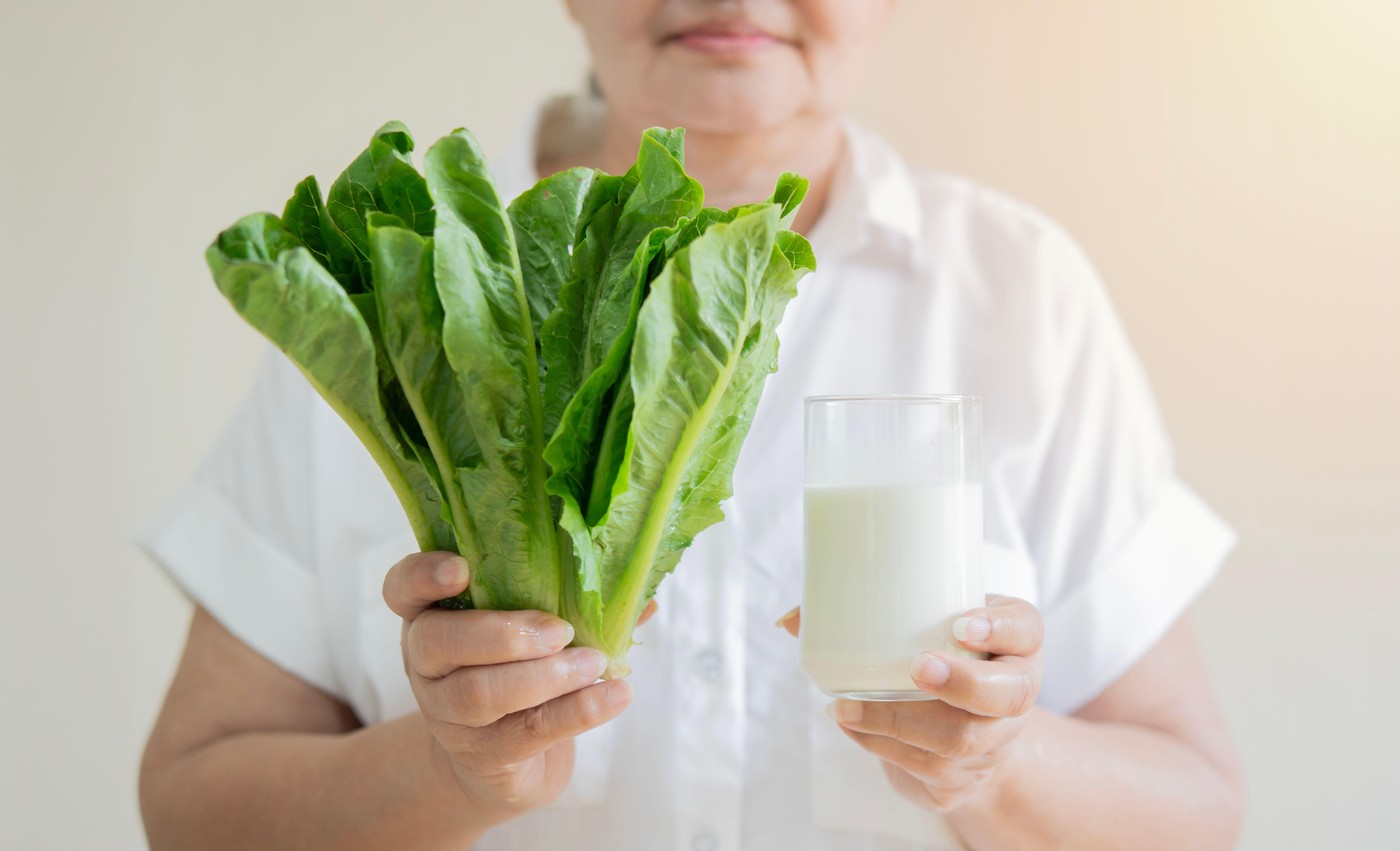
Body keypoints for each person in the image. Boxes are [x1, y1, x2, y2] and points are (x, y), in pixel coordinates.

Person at [138, 1, 1245, 849]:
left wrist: (996, 762)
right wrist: (451, 770)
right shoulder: (404, 293)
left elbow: (1193, 803)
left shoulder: (1015, 290)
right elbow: (192, 797)